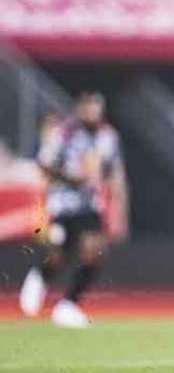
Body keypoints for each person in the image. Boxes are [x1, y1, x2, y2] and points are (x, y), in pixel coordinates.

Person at [19, 91, 129, 328]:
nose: (94, 112)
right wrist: (71, 178)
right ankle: (40, 276)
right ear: (80, 109)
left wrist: (119, 209)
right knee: (59, 253)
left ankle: (68, 304)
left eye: (97, 107)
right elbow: (44, 165)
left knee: (95, 250)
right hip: (63, 202)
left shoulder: (108, 136)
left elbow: (113, 173)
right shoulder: (65, 133)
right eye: (89, 107)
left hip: (89, 204)